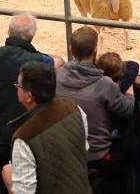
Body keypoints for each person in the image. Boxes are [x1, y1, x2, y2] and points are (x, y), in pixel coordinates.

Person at [0, 13, 65, 194]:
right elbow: (57, 61)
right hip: (20, 137)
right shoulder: (37, 60)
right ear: (31, 36)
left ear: (9, 32)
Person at [55, 26, 135, 193]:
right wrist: (129, 92)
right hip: (97, 156)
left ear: (71, 50)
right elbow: (127, 110)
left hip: (65, 153)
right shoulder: (104, 83)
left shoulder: (57, 76)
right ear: (96, 50)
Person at [1, 61, 92, 194]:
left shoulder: (23, 138)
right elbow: (83, 149)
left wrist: (9, 180)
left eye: (18, 86)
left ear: (29, 96)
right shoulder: (74, 108)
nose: (17, 88)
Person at [96, 52, 140, 194]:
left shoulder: (95, 86)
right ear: (121, 74)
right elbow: (134, 65)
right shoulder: (121, 86)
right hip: (126, 137)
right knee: (139, 167)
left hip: (104, 142)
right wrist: (128, 88)